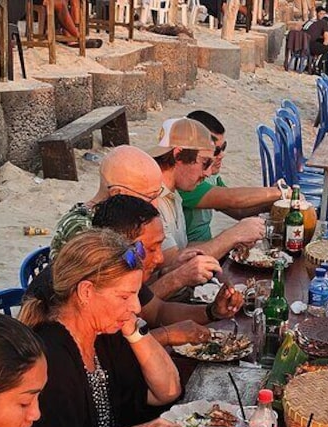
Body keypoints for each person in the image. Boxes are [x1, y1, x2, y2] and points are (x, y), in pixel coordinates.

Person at [16, 229, 189, 427]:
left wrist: (132, 329)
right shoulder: (47, 359)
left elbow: (167, 390)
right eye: (124, 296)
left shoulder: (106, 335)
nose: (136, 306)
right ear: (86, 292)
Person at [33, 195, 242, 347]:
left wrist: (212, 311)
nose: (160, 258)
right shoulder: (91, 277)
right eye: (151, 249)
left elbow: (157, 310)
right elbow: (103, 353)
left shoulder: (124, 266)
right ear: (120, 244)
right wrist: (165, 335)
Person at [48, 145, 226, 301]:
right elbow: (122, 304)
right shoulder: (88, 233)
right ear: (118, 193)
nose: (155, 206)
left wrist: (170, 269)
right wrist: (176, 278)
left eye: (158, 196)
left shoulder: (116, 220)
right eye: (150, 198)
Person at [150, 118, 264, 269]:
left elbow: (184, 248)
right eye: (205, 163)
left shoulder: (175, 192)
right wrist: (232, 236)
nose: (209, 173)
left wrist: (232, 242)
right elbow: (172, 263)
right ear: (178, 155)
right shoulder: (152, 198)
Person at [183, 111, 287, 244]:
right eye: (215, 150)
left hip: (206, 247)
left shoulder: (210, 175)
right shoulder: (187, 179)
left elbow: (237, 210)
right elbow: (231, 199)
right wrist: (280, 192)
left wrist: (271, 204)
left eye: (223, 148)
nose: (222, 155)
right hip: (192, 252)